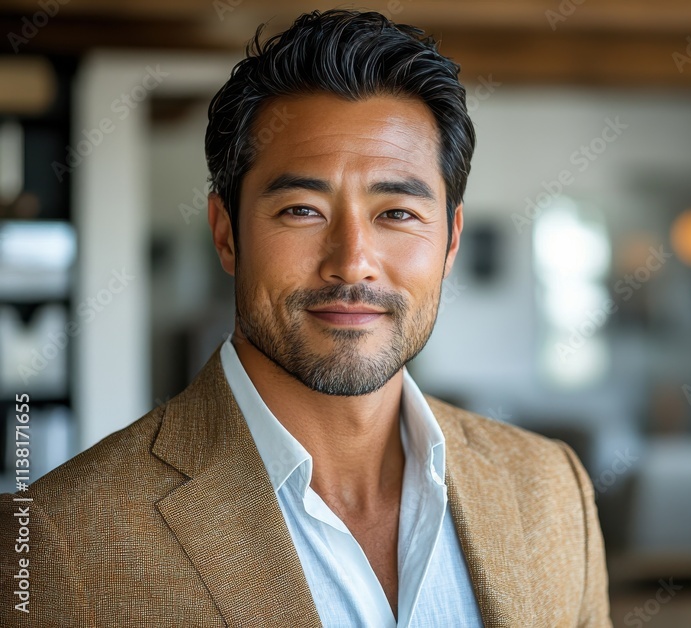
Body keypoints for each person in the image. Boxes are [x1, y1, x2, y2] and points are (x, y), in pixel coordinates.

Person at [1, 9, 611, 627]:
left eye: (397, 213)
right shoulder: (60, 539)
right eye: (301, 209)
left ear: (451, 241)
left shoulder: (551, 490)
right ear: (226, 233)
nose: (352, 264)